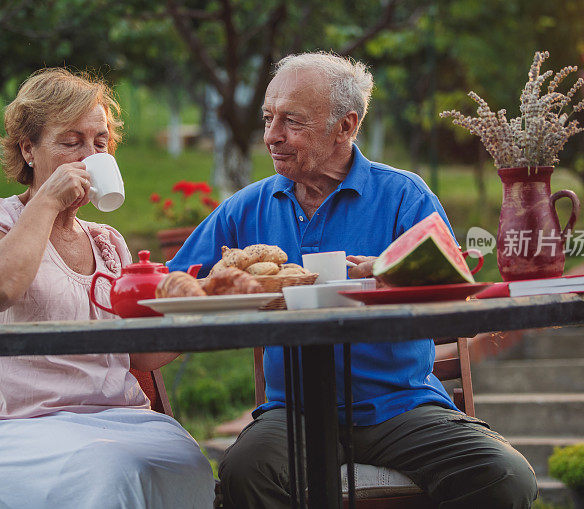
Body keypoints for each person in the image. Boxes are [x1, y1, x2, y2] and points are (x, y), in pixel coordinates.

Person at [168, 52, 537, 508]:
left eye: (292, 122)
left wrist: (390, 280)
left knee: (505, 476)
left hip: (401, 406)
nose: (272, 136)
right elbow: (172, 289)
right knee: (245, 471)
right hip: (294, 414)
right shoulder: (245, 209)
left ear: (346, 126)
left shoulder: (404, 196)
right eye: (267, 118)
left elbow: (457, 316)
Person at [0, 68, 214, 508]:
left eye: (99, 143)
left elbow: (139, 354)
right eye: (70, 141)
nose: (88, 154)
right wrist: (49, 200)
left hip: (120, 418)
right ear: (28, 150)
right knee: (114, 474)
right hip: (23, 427)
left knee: (188, 467)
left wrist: (205, 312)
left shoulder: (108, 242)